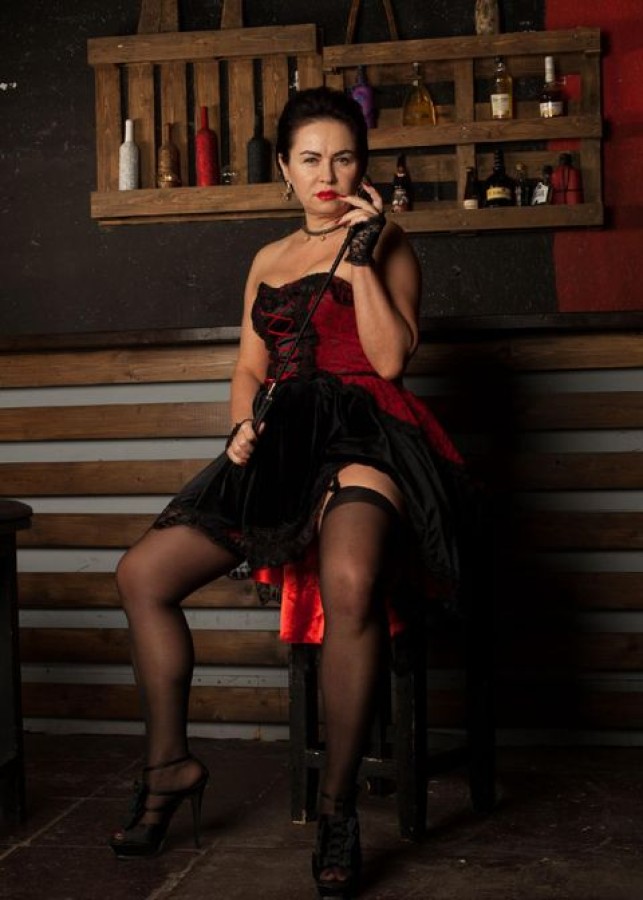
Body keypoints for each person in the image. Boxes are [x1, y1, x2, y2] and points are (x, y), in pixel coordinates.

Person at [108, 86, 468, 898]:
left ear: (362, 168)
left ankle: (337, 810)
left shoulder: (389, 243)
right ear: (283, 168)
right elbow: (249, 366)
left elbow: (389, 362)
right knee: (141, 576)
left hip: (366, 435)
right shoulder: (266, 260)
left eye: (343, 158)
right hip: (282, 442)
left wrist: (362, 255)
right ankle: (167, 767)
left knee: (351, 582)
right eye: (310, 159)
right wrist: (241, 426)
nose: (326, 174)